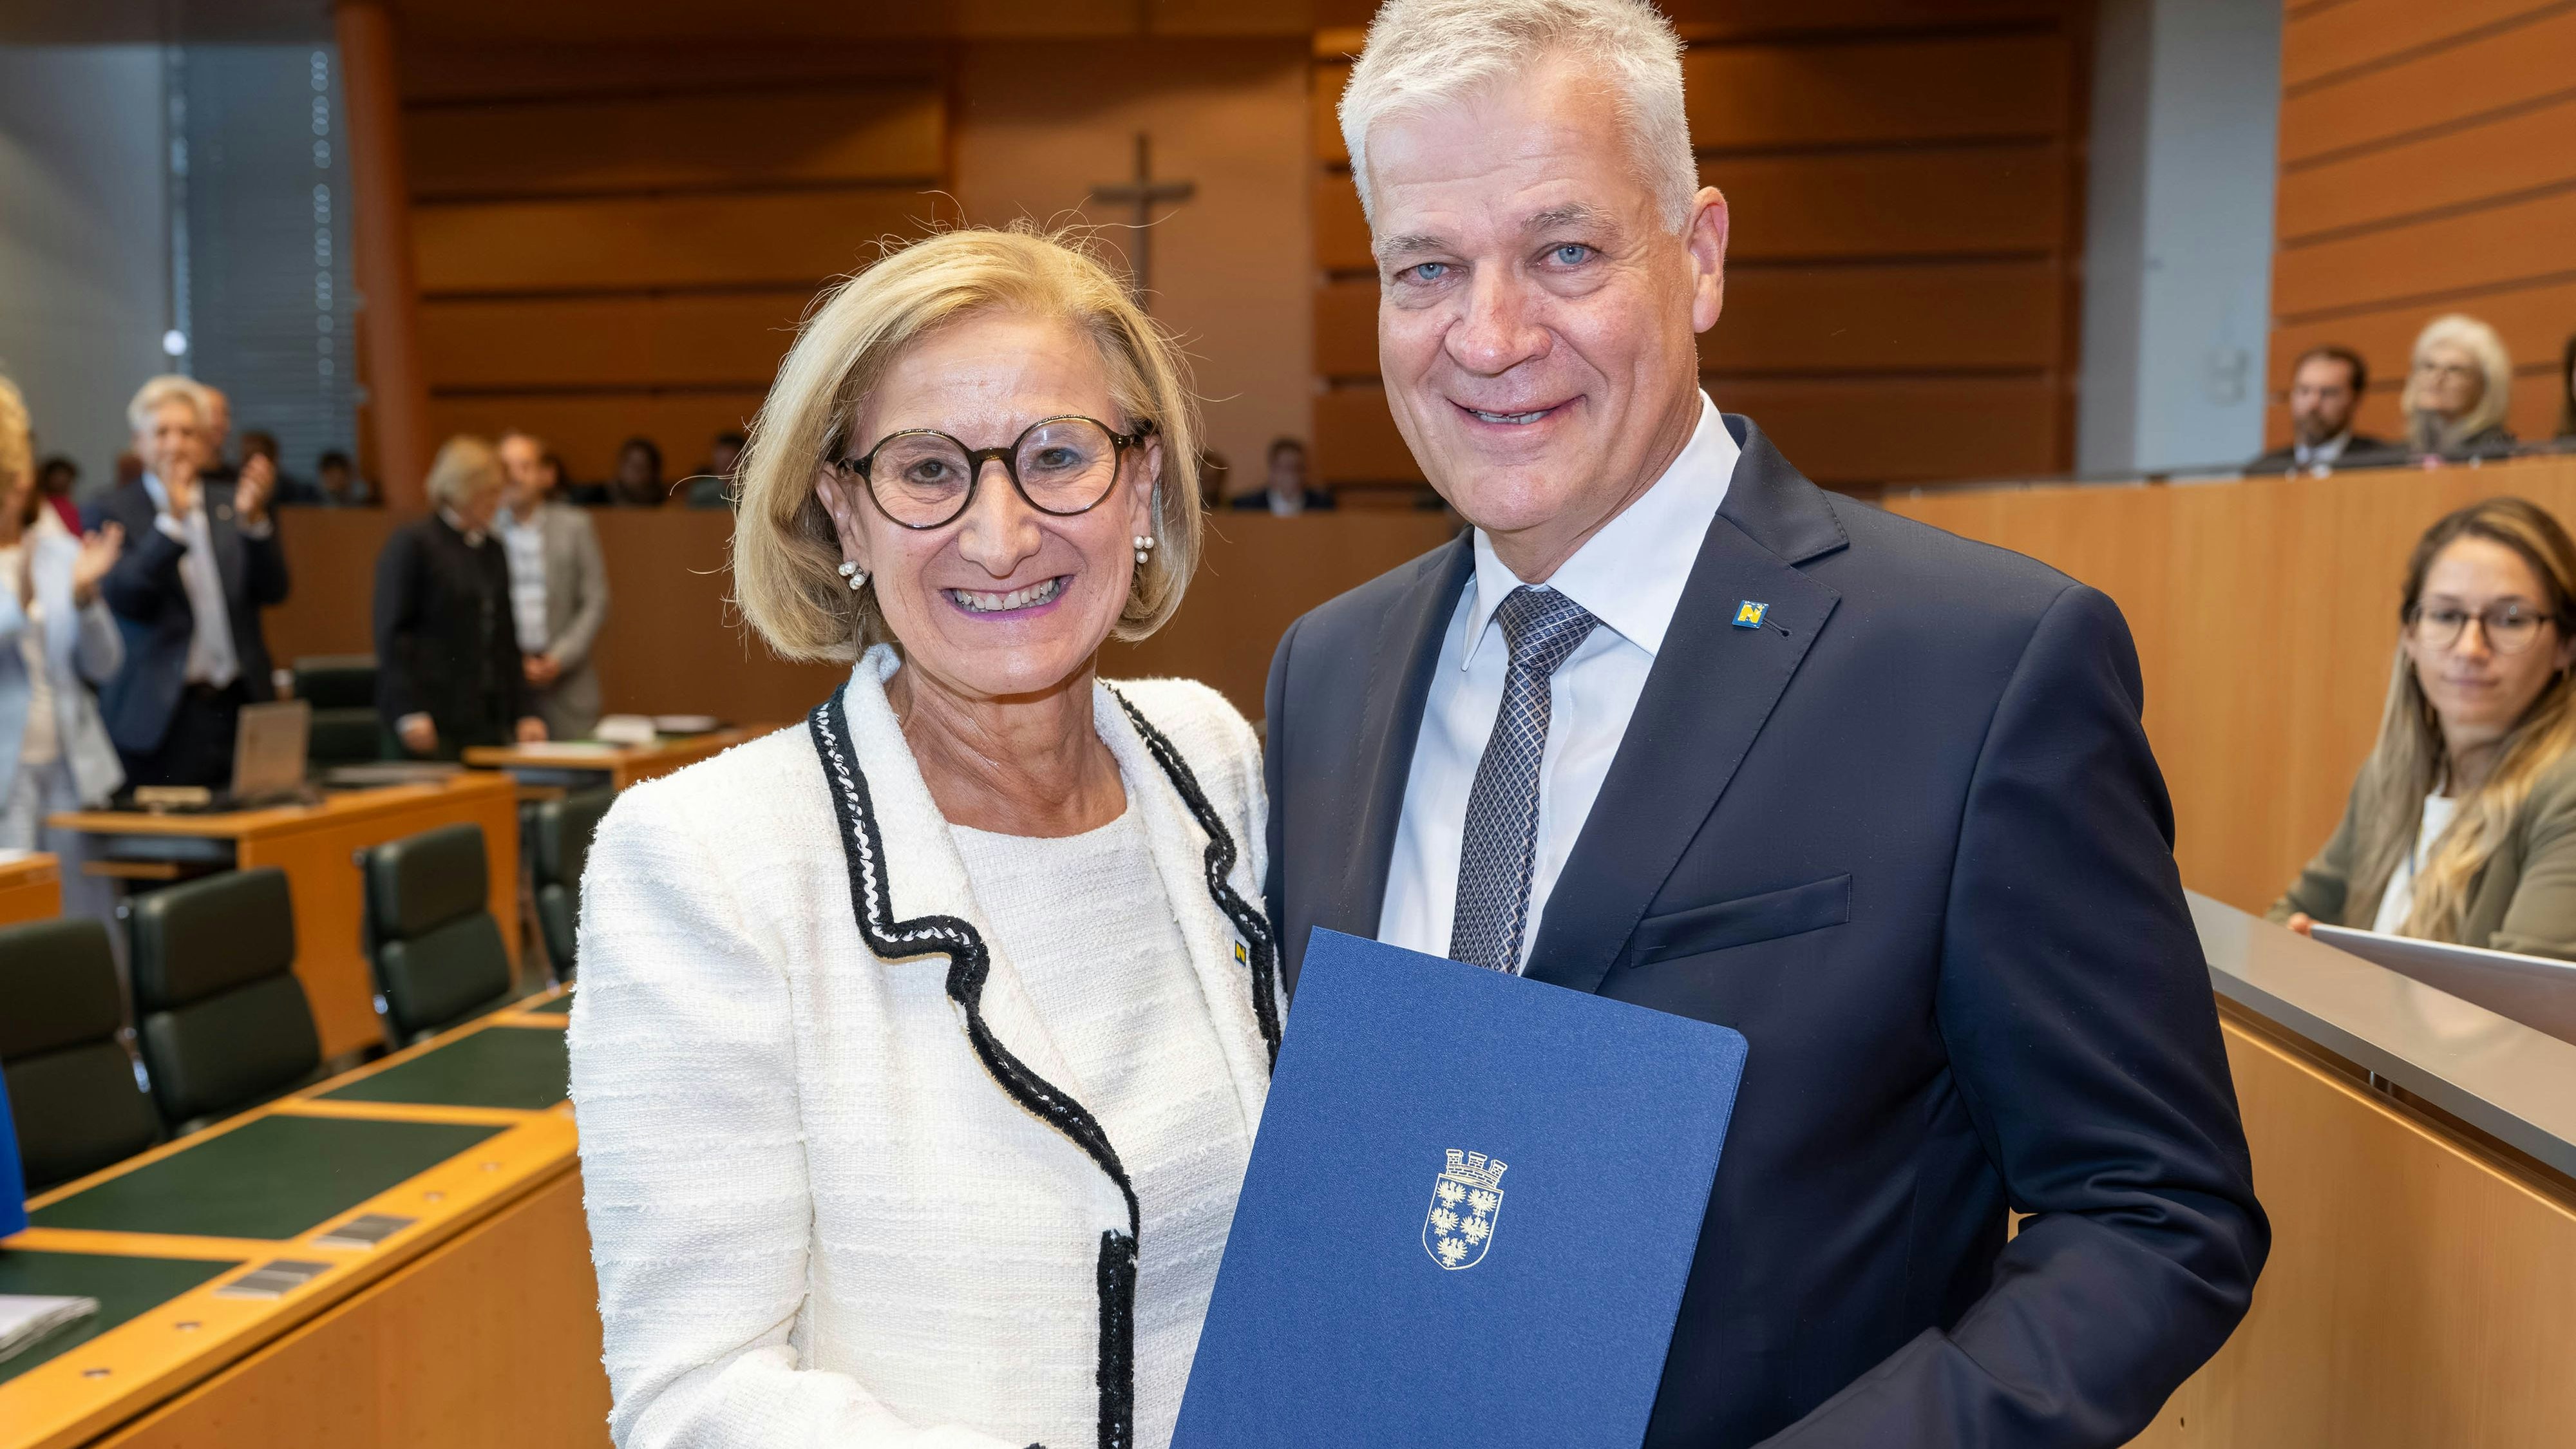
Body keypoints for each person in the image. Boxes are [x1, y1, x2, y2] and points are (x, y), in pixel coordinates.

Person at [1262, 3, 2267, 1444]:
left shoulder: (1978, 667)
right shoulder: (1326, 672)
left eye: (1562, 252)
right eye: (1427, 267)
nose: (1487, 337)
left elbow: (2153, 1211)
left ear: (1701, 255)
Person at [569, 226, 1273, 1449]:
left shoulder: (1212, 760)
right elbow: (695, 1399)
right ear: (845, 509)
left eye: (1060, 456)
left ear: (1143, 485)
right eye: (928, 471)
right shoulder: (708, 862)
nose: (1000, 535)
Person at [2273, 499, 2576, 956]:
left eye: (2510, 618)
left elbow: (2521, 1005)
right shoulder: (2387, 778)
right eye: (2447, 615)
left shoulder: (2566, 792)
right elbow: (2286, 924)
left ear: (2566, 647)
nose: (2471, 648)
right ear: (2410, 637)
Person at [95, 375, 290, 789]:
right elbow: (128, 599)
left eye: (187, 432)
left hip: (238, 706)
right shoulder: (111, 508)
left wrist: (255, 522)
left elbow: (274, 590)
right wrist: (171, 523)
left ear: (206, 442)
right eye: (162, 432)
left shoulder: (229, 501)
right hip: (163, 716)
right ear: (138, 442)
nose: (175, 444)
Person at [0, 378, 124, 926]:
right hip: (7, 772)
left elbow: (105, 664)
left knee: (83, 912)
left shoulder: (57, 551)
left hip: (72, 766)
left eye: (16, 479)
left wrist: (86, 596)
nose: (12, 492)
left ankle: (105, 1014)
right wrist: (17, 600)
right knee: (19, 915)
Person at [373, 437, 547, 759]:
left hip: (485, 716)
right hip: (429, 720)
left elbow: (506, 635)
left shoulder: (492, 550)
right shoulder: (414, 544)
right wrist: (408, 710)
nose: (498, 502)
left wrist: (526, 711)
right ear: (463, 490)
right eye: (490, 493)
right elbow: (393, 634)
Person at [494, 430, 611, 740]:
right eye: (506, 468)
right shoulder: (484, 530)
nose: (514, 477)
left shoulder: (575, 525)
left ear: (546, 475)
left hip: (566, 681)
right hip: (504, 682)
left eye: (524, 466)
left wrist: (559, 657)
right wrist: (512, 659)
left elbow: (595, 600)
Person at [2247, 345, 2403, 475]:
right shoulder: (2262, 470)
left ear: (2355, 399)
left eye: (2328, 393)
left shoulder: (2381, 463)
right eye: (2304, 391)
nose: (2313, 404)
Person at [2404, 313, 2518, 461]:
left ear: (2485, 385)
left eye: (2454, 369)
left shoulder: (2494, 453)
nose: (2436, 378)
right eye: (2429, 366)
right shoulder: (2408, 451)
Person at [1227, 436, 1336, 513]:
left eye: (1299, 468)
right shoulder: (1245, 506)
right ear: (1272, 470)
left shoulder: (1323, 505)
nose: (1293, 475)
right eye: (1287, 468)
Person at [683, 430, 744, 507]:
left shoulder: (752, 492)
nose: (725, 469)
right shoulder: (701, 492)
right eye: (719, 463)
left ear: (743, 462)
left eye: (729, 463)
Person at [34, 456, 82, 534]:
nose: (61, 482)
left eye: (66, 478)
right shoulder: (41, 506)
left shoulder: (70, 508)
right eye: (57, 477)